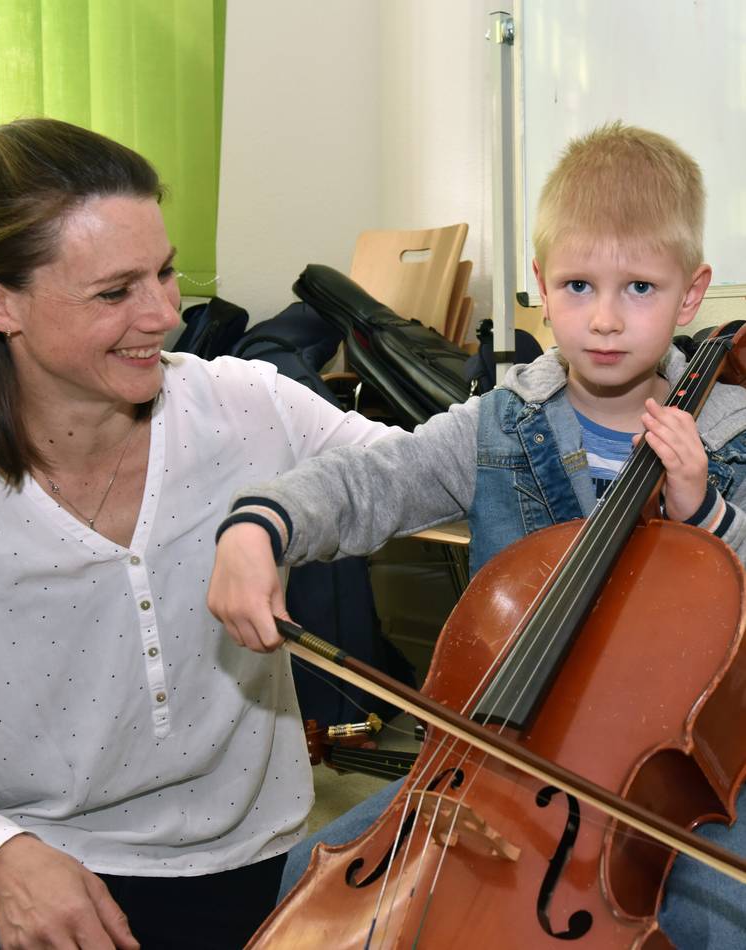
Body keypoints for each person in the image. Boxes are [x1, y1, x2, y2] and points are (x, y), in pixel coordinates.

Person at [0, 117, 392, 950]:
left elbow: (424, 476)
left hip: (260, 868)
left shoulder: (246, 405)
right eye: (116, 292)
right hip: (51, 870)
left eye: (165, 272)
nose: (164, 313)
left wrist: (587, 397)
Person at [207, 122, 746, 946]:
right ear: (537, 285)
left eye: (639, 288)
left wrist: (705, 512)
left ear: (691, 293)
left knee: (719, 917)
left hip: (682, 771)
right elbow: (370, 482)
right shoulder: (501, 425)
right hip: (496, 758)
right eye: (576, 286)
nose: (603, 319)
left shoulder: (732, 433)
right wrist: (262, 523)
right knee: (312, 875)